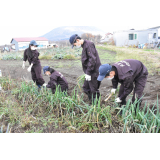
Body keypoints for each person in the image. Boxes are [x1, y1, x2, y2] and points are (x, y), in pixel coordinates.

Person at [69, 34, 101, 104]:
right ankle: (91, 100)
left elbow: (92, 60)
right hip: (89, 71)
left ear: (77, 40)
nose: (75, 46)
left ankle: (95, 105)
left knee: (94, 89)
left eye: (75, 44)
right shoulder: (84, 46)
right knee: (86, 88)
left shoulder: (89, 44)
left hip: (93, 71)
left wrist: (89, 72)